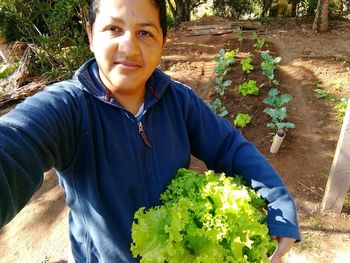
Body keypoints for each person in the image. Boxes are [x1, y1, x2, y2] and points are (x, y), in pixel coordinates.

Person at [0, 0, 300, 262]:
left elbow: (229, 147)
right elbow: (14, 144)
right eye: (113, 29)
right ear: (91, 35)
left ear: (162, 44)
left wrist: (278, 204)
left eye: (145, 32)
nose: (129, 47)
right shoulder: (68, 108)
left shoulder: (178, 100)